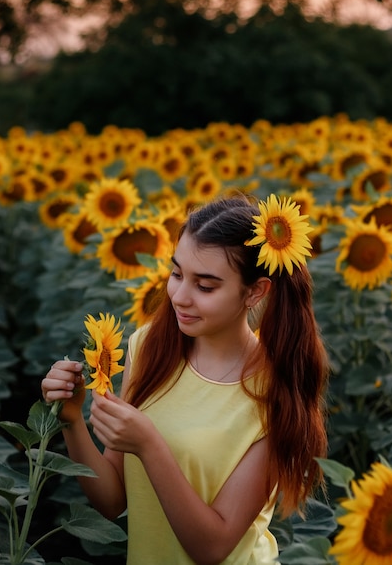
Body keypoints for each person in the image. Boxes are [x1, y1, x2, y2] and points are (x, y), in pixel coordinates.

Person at [41, 193, 328, 565]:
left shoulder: (275, 391)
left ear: (255, 291)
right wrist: (71, 419)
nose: (179, 296)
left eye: (205, 286)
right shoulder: (149, 348)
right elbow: (112, 502)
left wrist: (149, 444)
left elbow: (212, 548)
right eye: (176, 274)